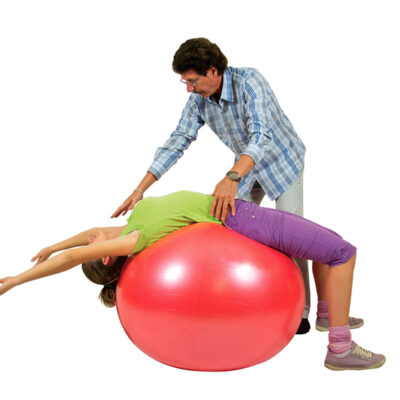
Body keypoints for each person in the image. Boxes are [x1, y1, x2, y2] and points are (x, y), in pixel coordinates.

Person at [1, 191, 385, 370]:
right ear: (104, 255)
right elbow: (74, 257)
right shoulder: (135, 239)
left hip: (241, 216)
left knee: (327, 247)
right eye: (92, 245)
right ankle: (340, 348)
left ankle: (328, 316)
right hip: (247, 221)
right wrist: (18, 279)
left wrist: (52, 245)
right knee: (342, 252)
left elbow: (85, 237)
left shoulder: (130, 226)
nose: (89, 237)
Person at [111, 38, 312, 333]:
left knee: (292, 236)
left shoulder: (250, 82)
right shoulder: (199, 100)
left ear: (213, 70)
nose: (189, 89)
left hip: (282, 161)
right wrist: (140, 189)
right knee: (229, 226)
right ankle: (243, 297)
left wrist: (231, 177)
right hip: (245, 168)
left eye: (192, 81)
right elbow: (178, 140)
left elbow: (261, 136)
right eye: (185, 82)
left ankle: (301, 312)